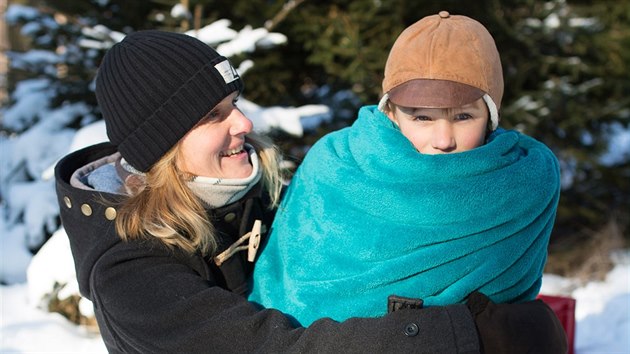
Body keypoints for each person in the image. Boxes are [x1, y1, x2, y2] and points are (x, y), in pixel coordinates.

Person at [55, 29, 566, 353]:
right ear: (162, 147)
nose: (244, 122)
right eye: (214, 116)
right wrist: (469, 334)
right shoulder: (130, 276)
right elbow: (272, 349)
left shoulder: (243, 198)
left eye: (235, 102)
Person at [249, 9, 562, 334]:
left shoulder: (523, 183)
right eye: (422, 118)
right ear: (392, 114)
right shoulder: (335, 165)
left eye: (463, 117)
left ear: (491, 117)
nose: (443, 140)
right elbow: (287, 286)